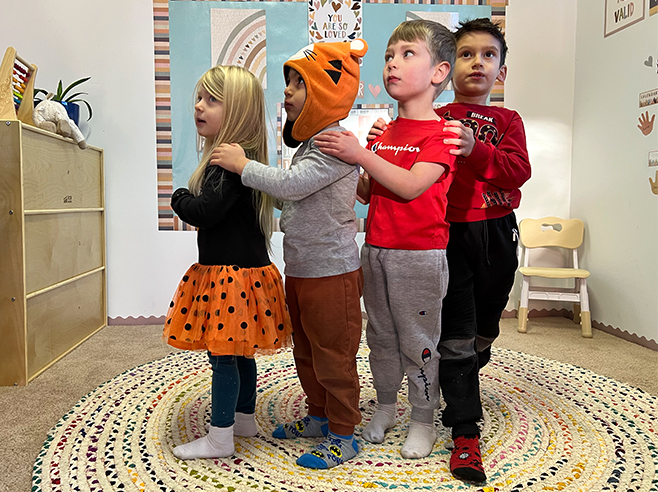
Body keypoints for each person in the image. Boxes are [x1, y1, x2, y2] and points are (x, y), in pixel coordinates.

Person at [367, 18, 532, 483]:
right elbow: (393, 175)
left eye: (488, 55)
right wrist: (381, 145)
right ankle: (462, 426)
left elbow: (517, 171)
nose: (477, 61)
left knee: (483, 327)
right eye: (466, 53)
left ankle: (467, 362)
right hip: (445, 236)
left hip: (495, 232)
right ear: (447, 67)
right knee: (450, 335)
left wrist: (476, 149)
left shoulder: (507, 120)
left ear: (501, 70)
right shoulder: (433, 122)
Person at [211, 40, 368, 469]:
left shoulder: (336, 143)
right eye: (288, 84)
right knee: (307, 351)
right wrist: (254, 188)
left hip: (332, 273)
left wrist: (245, 167)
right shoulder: (309, 147)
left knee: (334, 355)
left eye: (298, 84)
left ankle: (343, 434)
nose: (287, 92)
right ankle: (319, 416)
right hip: (302, 269)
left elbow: (293, 187)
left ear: (323, 92)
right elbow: (295, 199)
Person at [315, 20, 457, 460]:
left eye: (407, 54)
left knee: (418, 339)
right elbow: (368, 193)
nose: (393, 62)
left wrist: (360, 154)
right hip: (375, 248)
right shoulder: (387, 132)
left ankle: (422, 419)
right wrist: (360, 162)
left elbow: (413, 186)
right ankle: (388, 406)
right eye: (389, 56)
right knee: (379, 336)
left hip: (419, 256)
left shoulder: (444, 134)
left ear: (438, 72)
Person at [163, 65, 293, 460]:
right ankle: (243, 418)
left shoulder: (228, 165)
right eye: (199, 98)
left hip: (228, 280)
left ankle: (220, 438)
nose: (199, 106)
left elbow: (204, 211)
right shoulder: (244, 161)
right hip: (246, 275)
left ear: (236, 111)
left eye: (212, 100)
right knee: (240, 353)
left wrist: (179, 196)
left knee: (223, 358)